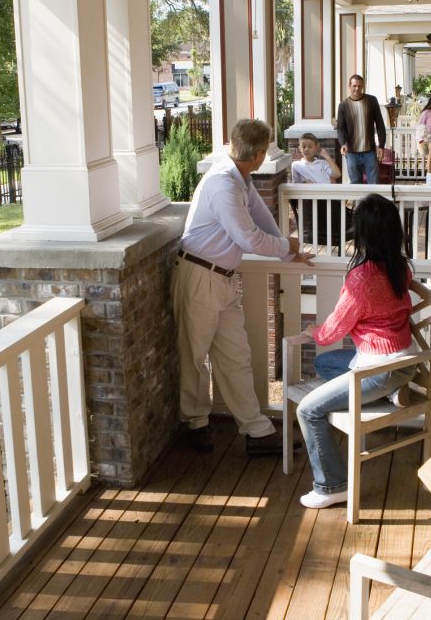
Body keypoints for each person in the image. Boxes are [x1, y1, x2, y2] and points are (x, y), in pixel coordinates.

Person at [174, 118, 314, 456]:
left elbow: (260, 217)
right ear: (261, 153)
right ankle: (194, 423)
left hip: (221, 277)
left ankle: (256, 431)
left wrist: (285, 249)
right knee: (194, 356)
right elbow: (247, 237)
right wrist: (288, 248)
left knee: (236, 355)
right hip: (199, 276)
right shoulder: (223, 183)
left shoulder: (241, 179)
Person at [295, 193, 416, 508]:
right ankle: (392, 391)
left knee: (307, 410)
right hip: (404, 361)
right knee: (326, 364)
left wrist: (314, 332)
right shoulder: (400, 266)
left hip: (378, 369)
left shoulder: (361, 278)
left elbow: (335, 328)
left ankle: (332, 485)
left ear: (363, 233)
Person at [336, 74, 387, 184]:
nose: (357, 89)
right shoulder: (343, 105)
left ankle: (373, 202)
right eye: (354, 86)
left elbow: (380, 124)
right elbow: (340, 128)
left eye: (359, 86)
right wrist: (343, 143)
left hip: (370, 151)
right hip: (351, 152)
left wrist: (381, 145)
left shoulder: (372, 101)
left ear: (363, 86)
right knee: (355, 183)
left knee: (374, 183)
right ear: (349, 86)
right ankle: (357, 202)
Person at [415, 93, 431, 183]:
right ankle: (429, 173)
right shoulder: (426, 112)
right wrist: (420, 139)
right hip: (427, 138)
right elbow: (419, 126)